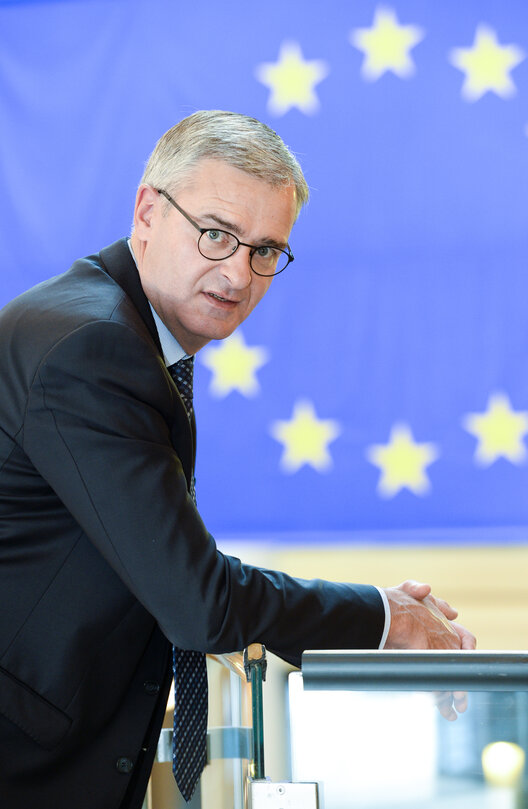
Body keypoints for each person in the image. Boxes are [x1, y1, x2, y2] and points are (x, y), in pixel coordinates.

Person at [0, 110, 475, 809]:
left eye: (265, 250)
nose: (237, 273)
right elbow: (198, 601)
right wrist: (386, 619)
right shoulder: (93, 350)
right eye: (217, 235)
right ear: (147, 212)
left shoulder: (117, 331)